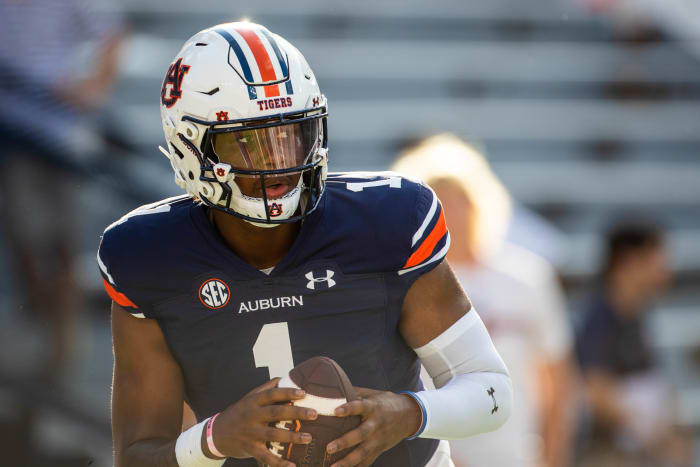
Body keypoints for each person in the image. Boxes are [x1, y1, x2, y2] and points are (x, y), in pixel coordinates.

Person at [98, 22, 513, 467]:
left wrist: (410, 412)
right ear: (190, 146)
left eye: (289, 134)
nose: (278, 163)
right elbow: (138, 456)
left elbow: (492, 392)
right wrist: (215, 439)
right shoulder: (147, 257)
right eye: (249, 142)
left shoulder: (387, 224)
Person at [393, 134, 576, 467]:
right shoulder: (407, 285)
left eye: (458, 197)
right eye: (439, 200)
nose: (451, 212)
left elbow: (557, 384)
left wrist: (553, 457)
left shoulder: (529, 276)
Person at [0, 0, 124, 383]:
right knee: (27, 237)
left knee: (63, 240)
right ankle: (41, 321)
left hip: (59, 135)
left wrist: (91, 88)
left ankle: (63, 342)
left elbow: (113, 34)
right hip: (11, 136)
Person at [575, 223, 692, 466]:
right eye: (655, 257)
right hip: (610, 455)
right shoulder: (600, 317)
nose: (664, 266)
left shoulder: (636, 313)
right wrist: (650, 431)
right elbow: (595, 389)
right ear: (629, 261)